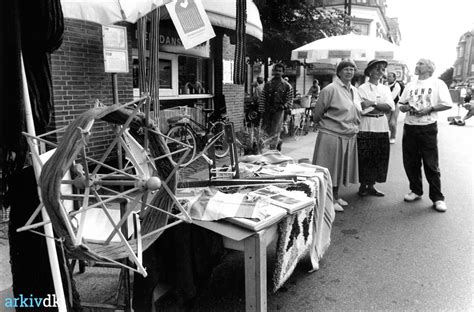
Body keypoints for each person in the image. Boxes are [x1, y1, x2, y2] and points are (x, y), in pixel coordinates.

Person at [398, 58, 452, 212]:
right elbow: (401, 104)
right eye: (417, 63)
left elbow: (447, 103)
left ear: (429, 68)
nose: (417, 65)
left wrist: (430, 109)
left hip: (427, 126)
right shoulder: (410, 85)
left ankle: (437, 198)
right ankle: (415, 190)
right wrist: (405, 107)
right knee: (411, 161)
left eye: (421, 64)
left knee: (431, 164)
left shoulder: (437, 83)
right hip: (410, 126)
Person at [311, 59, 362, 212]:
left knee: (340, 169)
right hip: (331, 134)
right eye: (345, 69)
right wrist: (325, 124)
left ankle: (336, 195)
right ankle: (328, 200)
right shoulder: (330, 89)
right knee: (331, 168)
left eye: (352, 69)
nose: (349, 72)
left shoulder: (354, 90)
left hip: (348, 134)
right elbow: (318, 113)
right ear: (338, 72)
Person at [357, 59, 395, 197]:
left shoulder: (385, 89)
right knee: (365, 157)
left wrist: (372, 103)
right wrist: (379, 106)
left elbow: (389, 107)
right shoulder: (362, 88)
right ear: (370, 71)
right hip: (366, 125)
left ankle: (372, 186)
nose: (380, 72)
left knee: (379, 157)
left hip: (381, 126)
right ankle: (363, 185)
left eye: (382, 69)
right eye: (377, 69)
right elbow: (361, 107)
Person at [258, 63, 293, 150]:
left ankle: (272, 151)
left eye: (280, 71)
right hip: (268, 110)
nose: (278, 72)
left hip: (279, 111)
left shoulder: (287, 86)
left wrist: (285, 106)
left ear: (283, 72)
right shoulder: (268, 84)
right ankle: (279, 141)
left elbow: (290, 99)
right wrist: (261, 110)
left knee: (275, 131)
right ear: (273, 71)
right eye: (276, 70)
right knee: (266, 130)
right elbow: (263, 97)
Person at [385, 71, 403, 143]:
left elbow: (392, 96)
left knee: (392, 122)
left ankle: (393, 137)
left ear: (394, 78)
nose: (388, 78)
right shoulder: (385, 84)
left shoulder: (397, 85)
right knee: (386, 121)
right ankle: (389, 133)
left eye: (390, 76)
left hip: (395, 105)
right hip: (388, 105)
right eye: (388, 76)